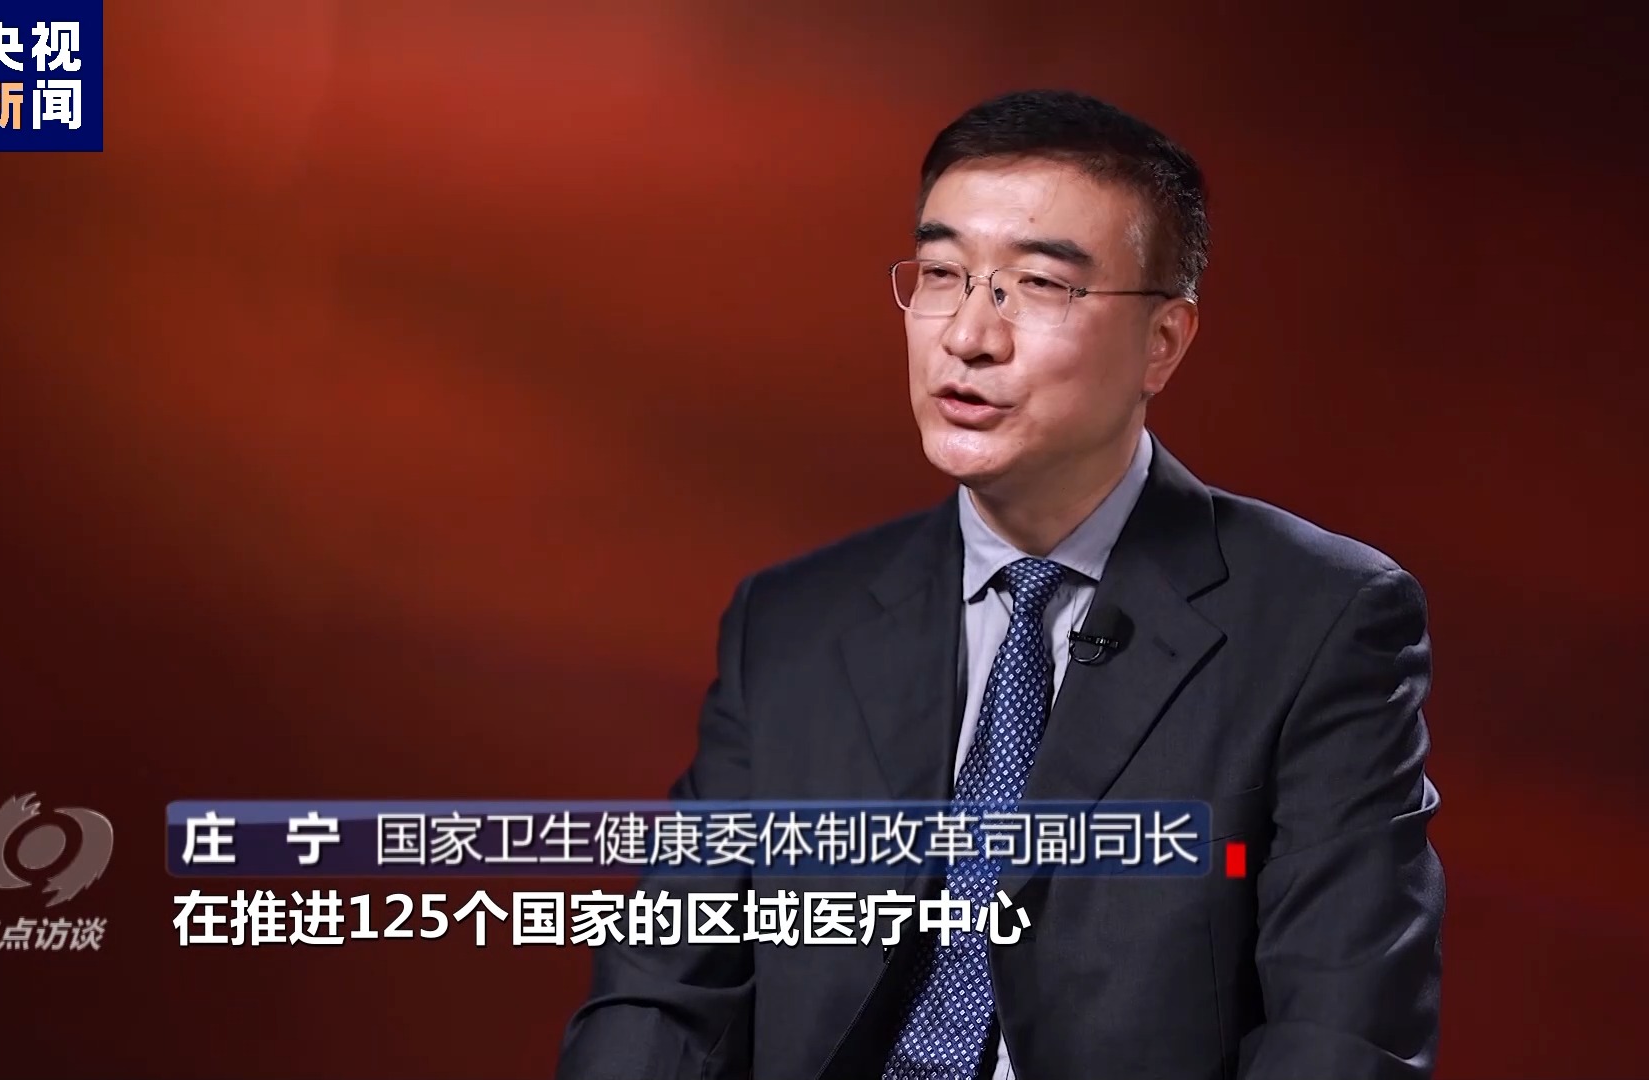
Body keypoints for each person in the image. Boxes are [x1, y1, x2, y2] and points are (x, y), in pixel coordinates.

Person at [556, 88, 1444, 1080]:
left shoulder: (1322, 621)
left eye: (1039, 285)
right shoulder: (792, 625)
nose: (969, 336)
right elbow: (665, 987)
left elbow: (1342, 1034)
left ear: (1163, 342)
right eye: (943, 274)